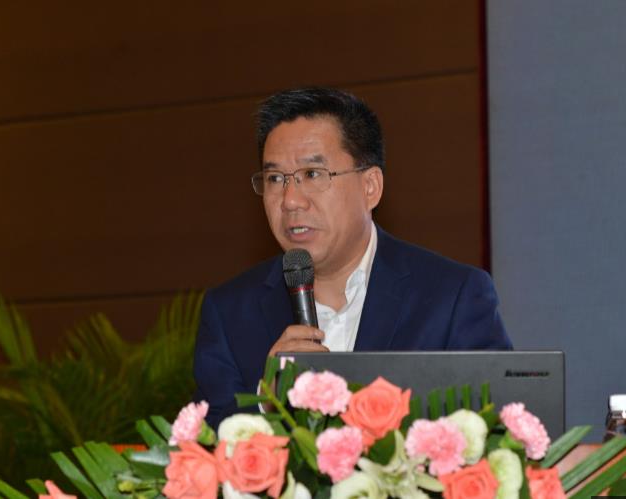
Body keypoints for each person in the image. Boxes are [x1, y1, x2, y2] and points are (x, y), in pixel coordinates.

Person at [193, 87, 512, 428]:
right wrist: (265, 404)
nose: (290, 200)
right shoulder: (229, 314)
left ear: (370, 186)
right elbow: (202, 444)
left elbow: (498, 431)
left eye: (312, 174)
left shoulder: (452, 298)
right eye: (275, 179)